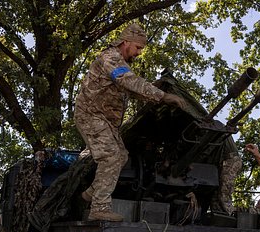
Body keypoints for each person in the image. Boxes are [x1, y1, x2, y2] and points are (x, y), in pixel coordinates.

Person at [74, 23, 187, 221]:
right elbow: (129, 81)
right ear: (125, 42)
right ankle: (99, 208)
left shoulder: (122, 65)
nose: (139, 53)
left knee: (121, 156)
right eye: (138, 48)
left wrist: (154, 92)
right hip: (90, 115)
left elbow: (134, 90)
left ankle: (90, 193)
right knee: (110, 157)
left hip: (104, 121)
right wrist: (163, 96)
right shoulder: (110, 58)